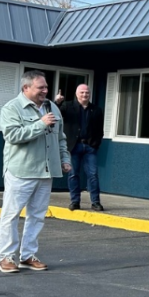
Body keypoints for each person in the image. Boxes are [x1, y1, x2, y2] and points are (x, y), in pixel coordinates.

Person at [0, 70, 71, 273]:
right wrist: (40, 124)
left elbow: (60, 138)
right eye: (41, 87)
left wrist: (65, 159)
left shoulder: (52, 107)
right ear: (26, 88)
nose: (45, 91)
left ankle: (27, 256)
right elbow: (12, 136)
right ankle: (6, 257)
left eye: (46, 87)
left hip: (46, 172)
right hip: (21, 170)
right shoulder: (12, 108)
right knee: (11, 215)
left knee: (37, 215)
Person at [54, 83, 106, 212]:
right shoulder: (67, 106)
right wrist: (57, 103)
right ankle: (75, 201)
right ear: (77, 94)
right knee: (73, 174)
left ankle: (95, 202)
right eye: (82, 92)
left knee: (93, 175)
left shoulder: (96, 110)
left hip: (89, 147)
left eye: (87, 92)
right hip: (73, 146)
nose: (84, 95)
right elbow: (55, 114)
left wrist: (95, 144)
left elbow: (100, 130)